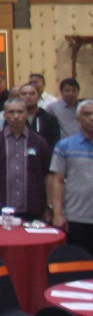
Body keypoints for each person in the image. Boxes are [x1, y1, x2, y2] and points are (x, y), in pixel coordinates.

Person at [0, 96, 53, 219]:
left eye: (20, 112)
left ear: (26, 114)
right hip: (1, 207)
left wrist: (49, 206)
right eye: (11, 112)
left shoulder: (39, 142)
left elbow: (48, 176)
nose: (16, 116)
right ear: (5, 115)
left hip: (33, 208)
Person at [48, 99, 93, 251]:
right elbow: (58, 181)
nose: (92, 117)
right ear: (78, 119)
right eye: (87, 114)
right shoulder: (65, 146)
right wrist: (58, 214)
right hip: (76, 216)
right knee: (80, 265)